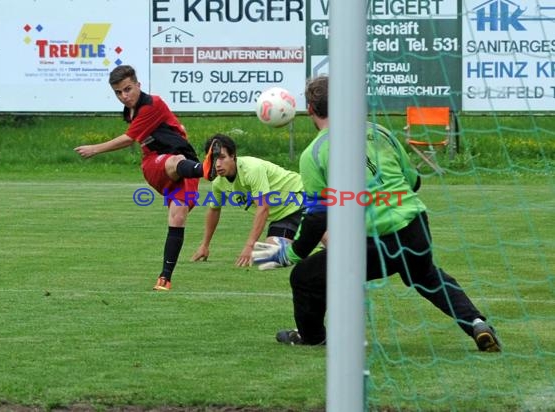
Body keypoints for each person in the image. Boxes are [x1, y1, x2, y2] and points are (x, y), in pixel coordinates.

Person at [253, 75, 501, 352]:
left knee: (305, 276)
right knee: (426, 276)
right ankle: (477, 323)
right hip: (416, 225)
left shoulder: (314, 153)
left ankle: (313, 337)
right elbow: (414, 180)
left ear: (310, 109)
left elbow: (317, 216)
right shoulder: (379, 132)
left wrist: (292, 253)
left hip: (376, 239)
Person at [74, 65, 221, 291]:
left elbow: (129, 138)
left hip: (186, 169)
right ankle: (205, 168)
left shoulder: (152, 104)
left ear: (139, 85)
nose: (124, 96)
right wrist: (177, 129)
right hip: (155, 164)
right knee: (175, 159)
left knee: (177, 217)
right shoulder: (133, 111)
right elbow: (137, 136)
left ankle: (165, 278)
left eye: (128, 89)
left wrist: (95, 149)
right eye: (118, 92)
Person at [191, 134, 307, 268]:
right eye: (214, 158)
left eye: (222, 158)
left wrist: (249, 245)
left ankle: (319, 243)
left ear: (233, 156)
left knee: (327, 243)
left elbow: (263, 208)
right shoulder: (218, 182)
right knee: (269, 257)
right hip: (282, 217)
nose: (217, 164)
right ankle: (311, 247)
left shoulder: (252, 169)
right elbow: (214, 210)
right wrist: (204, 245)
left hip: (303, 199)